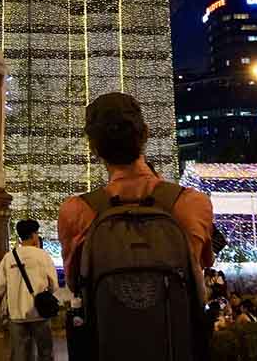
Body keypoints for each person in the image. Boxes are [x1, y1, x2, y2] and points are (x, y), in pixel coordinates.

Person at [57, 92, 215, 361]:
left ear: (93, 147)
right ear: (146, 134)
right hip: (175, 346)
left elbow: (75, 282)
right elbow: (201, 267)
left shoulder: (76, 211)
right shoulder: (192, 204)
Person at [0, 219, 58, 361]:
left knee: (20, 355)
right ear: (34, 235)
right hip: (40, 313)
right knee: (45, 353)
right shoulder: (43, 256)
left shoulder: (9, 257)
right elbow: (54, 285)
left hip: (17, 315)